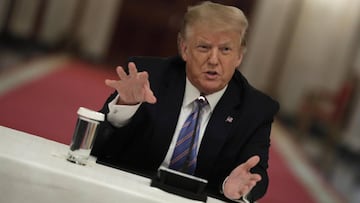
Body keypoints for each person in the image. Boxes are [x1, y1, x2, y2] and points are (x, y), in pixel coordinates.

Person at [91, 1, 279, 202]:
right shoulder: (147, 78)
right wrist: (125, 107)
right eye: (204, 47)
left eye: (225, 49)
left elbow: (256, 173)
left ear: (239, 56)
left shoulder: (256, 109)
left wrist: (236, 188)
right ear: (184, 48)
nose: (214, 60)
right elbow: (98, 146)